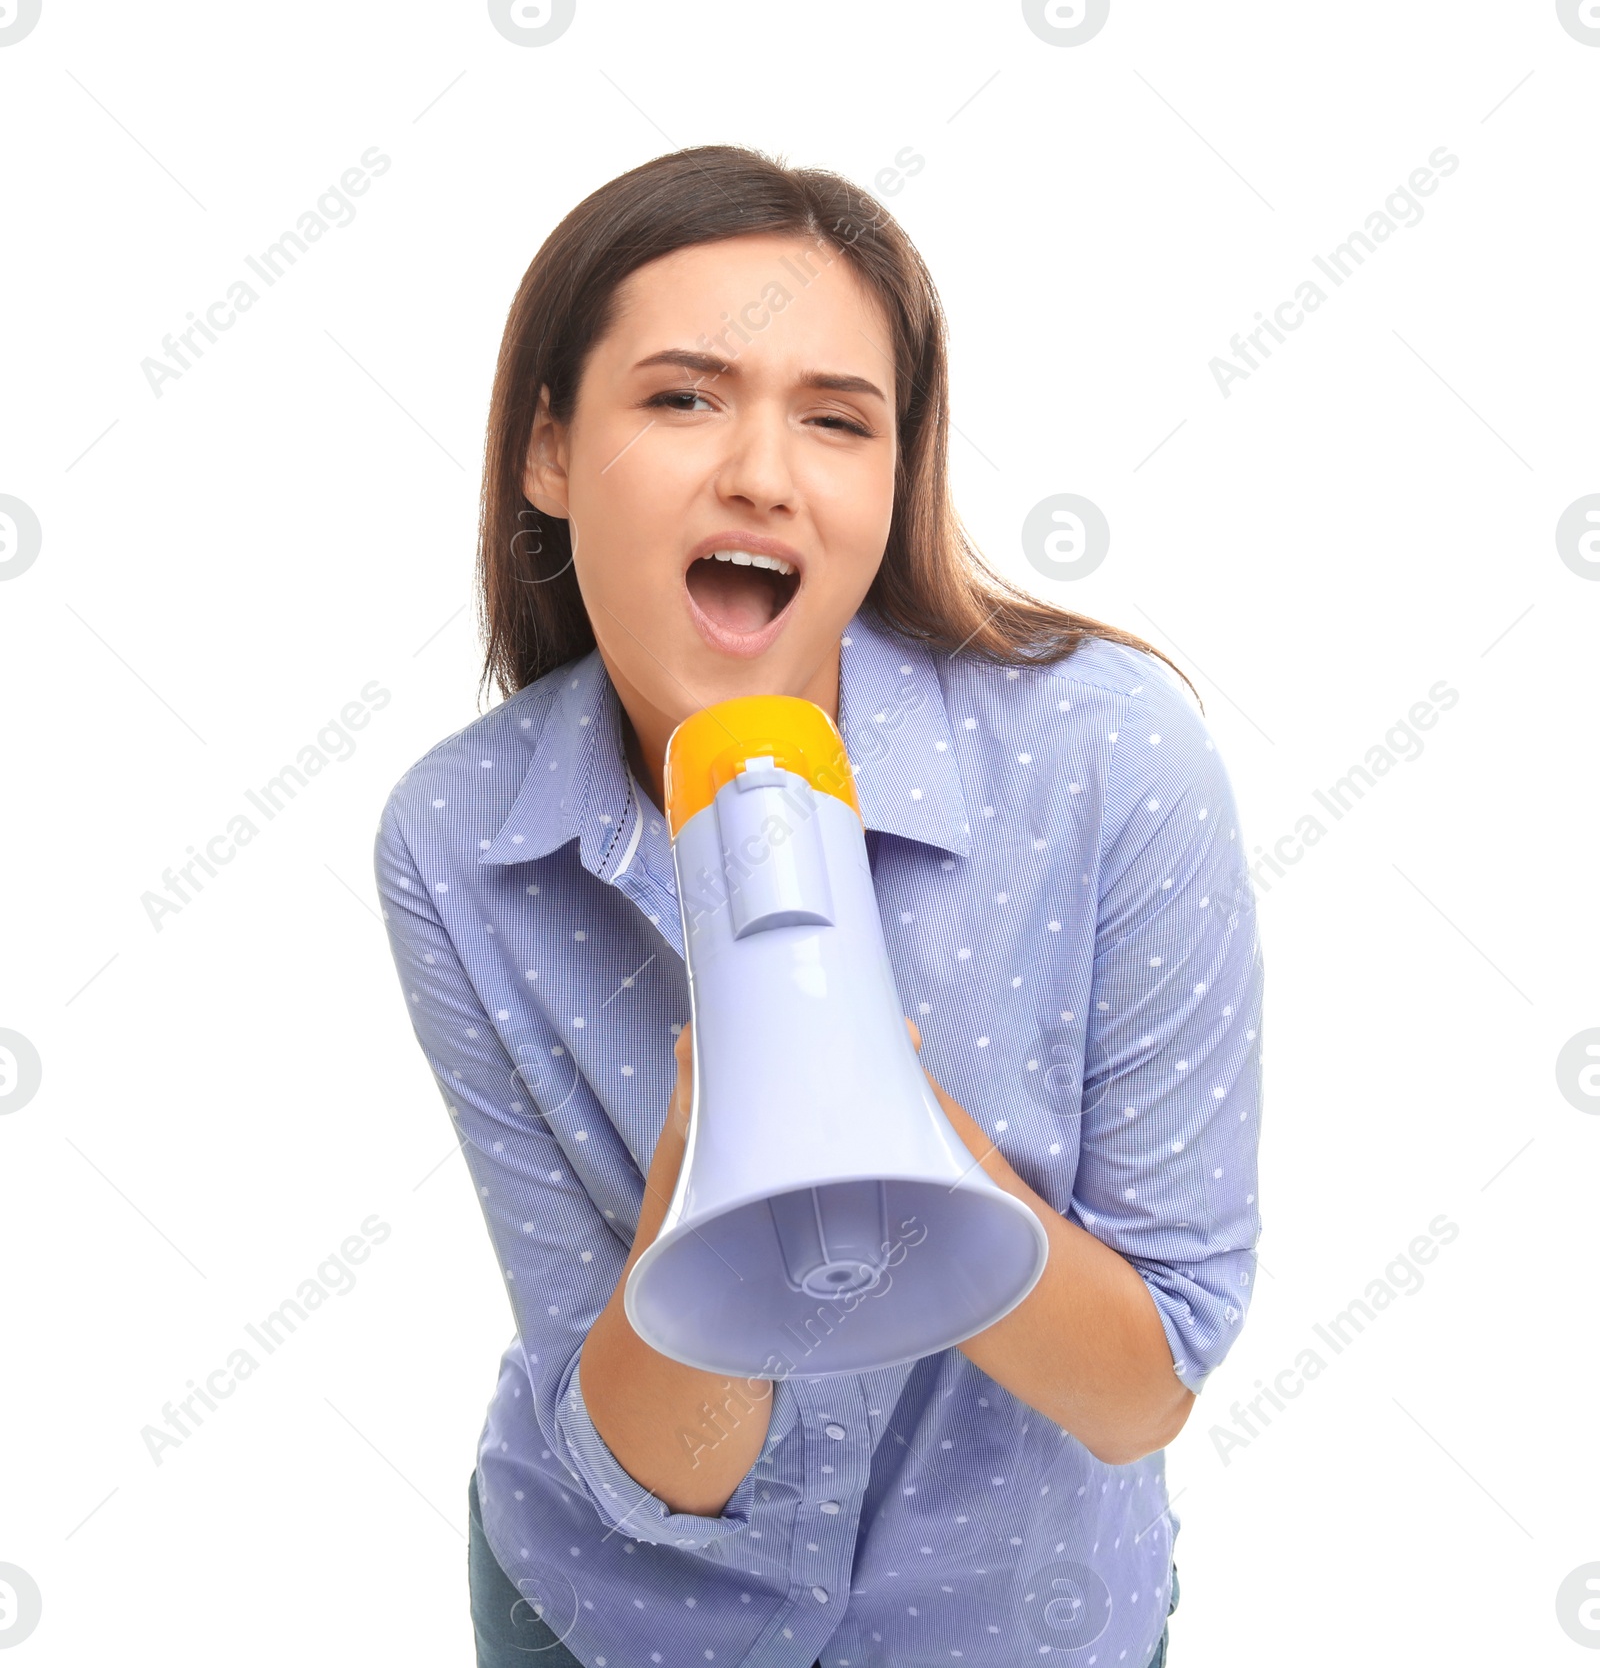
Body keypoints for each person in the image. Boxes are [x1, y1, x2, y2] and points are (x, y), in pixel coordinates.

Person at [374, 144, 1262, 1667]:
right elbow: (658, 1463)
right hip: (611, 1618)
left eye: (837, 420)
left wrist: (907, 1157)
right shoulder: (458, 836)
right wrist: (711, 1196)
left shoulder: (1113, 756)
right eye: (681, 396)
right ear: (547, 453)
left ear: (891, 480)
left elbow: (1141, 1392)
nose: (763, 474)